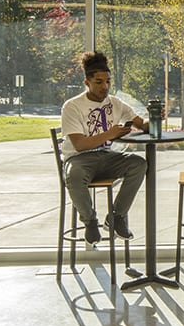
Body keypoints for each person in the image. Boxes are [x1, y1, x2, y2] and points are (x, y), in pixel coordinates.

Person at [60, 51, 150, 244]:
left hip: (107, 157)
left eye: (108, 81)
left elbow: (141, 124)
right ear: (87, 83)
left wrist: (157, 117)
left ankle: (116, 217)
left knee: (139, 164)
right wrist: (111, 133)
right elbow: (80, 144)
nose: (105, 87)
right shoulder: (72, 106)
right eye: (99, 82)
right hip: (79, 159)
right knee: (74, 175)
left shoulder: (116, 103)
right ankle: (90, 222)